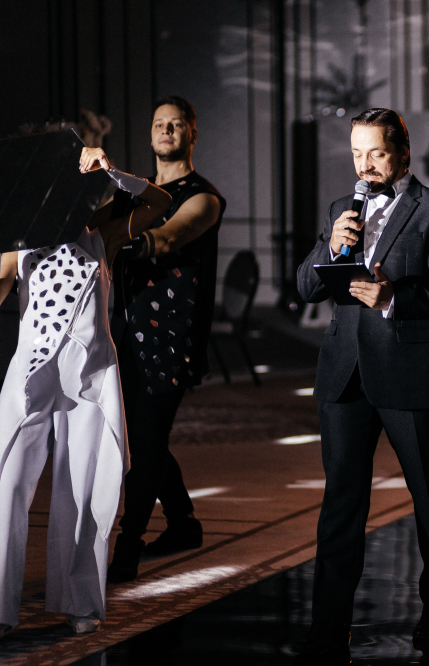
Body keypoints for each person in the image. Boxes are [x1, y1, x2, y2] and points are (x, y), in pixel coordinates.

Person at [295, 108, 429, 664]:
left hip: (407, 369)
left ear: (402, 152)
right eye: (356, 153)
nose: (365, 165)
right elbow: (306, 286)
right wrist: (331, 249)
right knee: (341, 503)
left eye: (375, 153)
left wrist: (395, 297)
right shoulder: (339, 210)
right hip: (344, 372)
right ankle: (329, 626)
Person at [0, 147, 170, 637]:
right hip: (31, 378)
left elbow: (159, 202)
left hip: (89, 379)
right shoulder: (18, 246)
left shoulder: (102, 235)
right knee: (6, 486)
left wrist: (112, 171)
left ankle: (80, 603)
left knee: (85, 490)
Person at [106, 96, 226, 582]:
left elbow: (172, 236)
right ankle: (183, 522)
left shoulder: (204, 196)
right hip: (124, 330)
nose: (167, 130)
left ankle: (128, 545)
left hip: (172, 337)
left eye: (176, 124)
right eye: (159, 123)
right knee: (137, 436)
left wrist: (121, 244)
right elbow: (92, 222)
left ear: (192, 133)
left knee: (148, 437)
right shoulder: (132, 192)